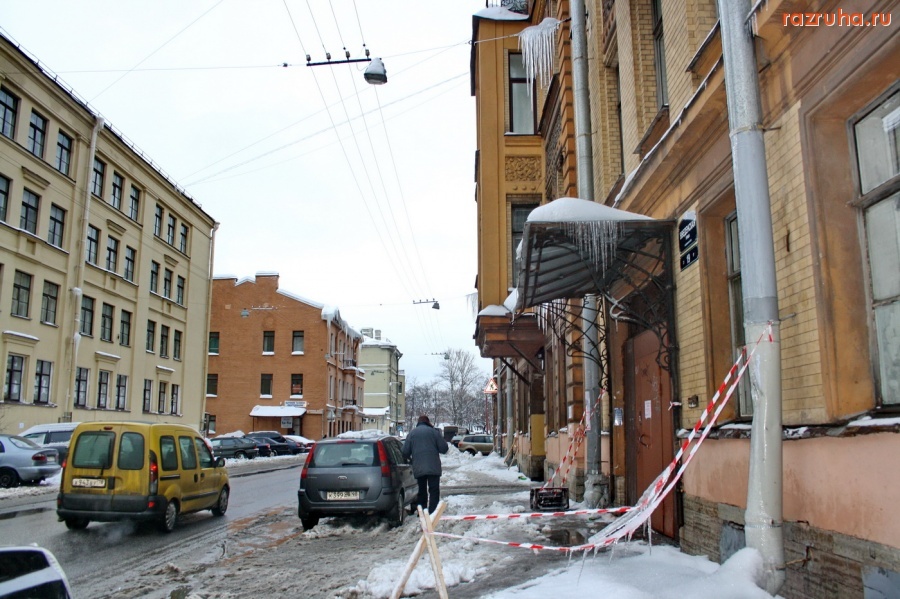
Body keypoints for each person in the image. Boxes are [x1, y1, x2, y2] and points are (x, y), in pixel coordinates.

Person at [402, 414, 449, 513]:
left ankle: (423, 512)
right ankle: (433, 512)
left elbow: (405, 452)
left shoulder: (412, 434)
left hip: (418, 467)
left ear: (418, 423)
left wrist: (410, 458)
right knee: (434, 490)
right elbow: (444, 449)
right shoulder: (434, 432)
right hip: (433, 467)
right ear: (428, 422)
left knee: (421, 490)